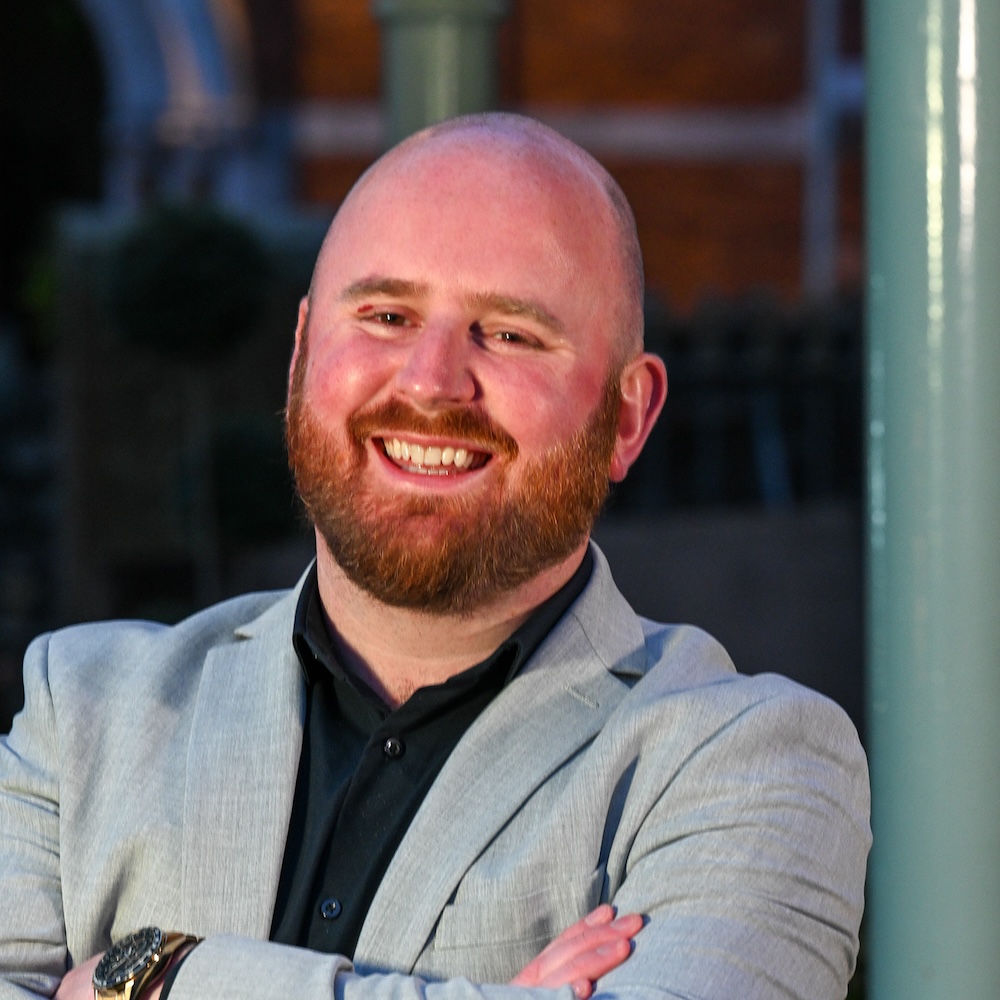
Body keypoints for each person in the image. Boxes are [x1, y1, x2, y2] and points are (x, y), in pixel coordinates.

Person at [0, 113, 870, 1000]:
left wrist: (156, 976)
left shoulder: (748, 764)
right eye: (386, 316)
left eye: (512, 333)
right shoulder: (82, 718)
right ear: (301, 355)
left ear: (628, 416)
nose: (429, 381)